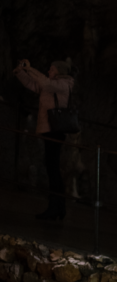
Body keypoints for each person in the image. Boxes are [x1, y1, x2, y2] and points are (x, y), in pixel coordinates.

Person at [13, 58, 74, 221]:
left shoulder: (63, 84)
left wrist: (30, 68)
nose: (49, 71)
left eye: (52, 69)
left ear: (59, 71)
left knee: (53, 169)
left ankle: (55, 207)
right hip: (50, 130)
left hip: (55, 131)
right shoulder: (52, 84)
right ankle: (58, 207)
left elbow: (44, 83)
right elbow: (33, 85)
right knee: (52, 169)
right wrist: (21, 72)